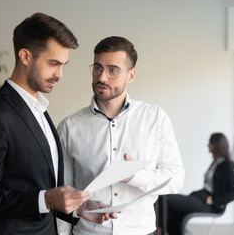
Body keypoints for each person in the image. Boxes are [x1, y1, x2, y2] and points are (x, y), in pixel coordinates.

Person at [0, 13, 114, 235]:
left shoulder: (40, 111)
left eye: (63, 64)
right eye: (53, 63)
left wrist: (77, 208)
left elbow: (36, 188)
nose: (60, 74)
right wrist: (45, 199)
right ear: (26, 56)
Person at [57, 36, 185, 235]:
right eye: (98, 68)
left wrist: (135, 176)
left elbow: (175, 179)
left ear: (131, 75)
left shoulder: (155, 118)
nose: (102, 77)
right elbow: (62, 191)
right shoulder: (69, 126)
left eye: (113, 70)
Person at [157, 132, 234, 235]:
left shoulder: (228, 165)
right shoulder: (216, 163)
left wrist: (214, 200)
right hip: (201, 197)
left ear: (216, 145)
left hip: (209, 204)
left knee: (166, 198)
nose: (208, 145)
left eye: (210, 142)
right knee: (170, 203)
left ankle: (160, 231)